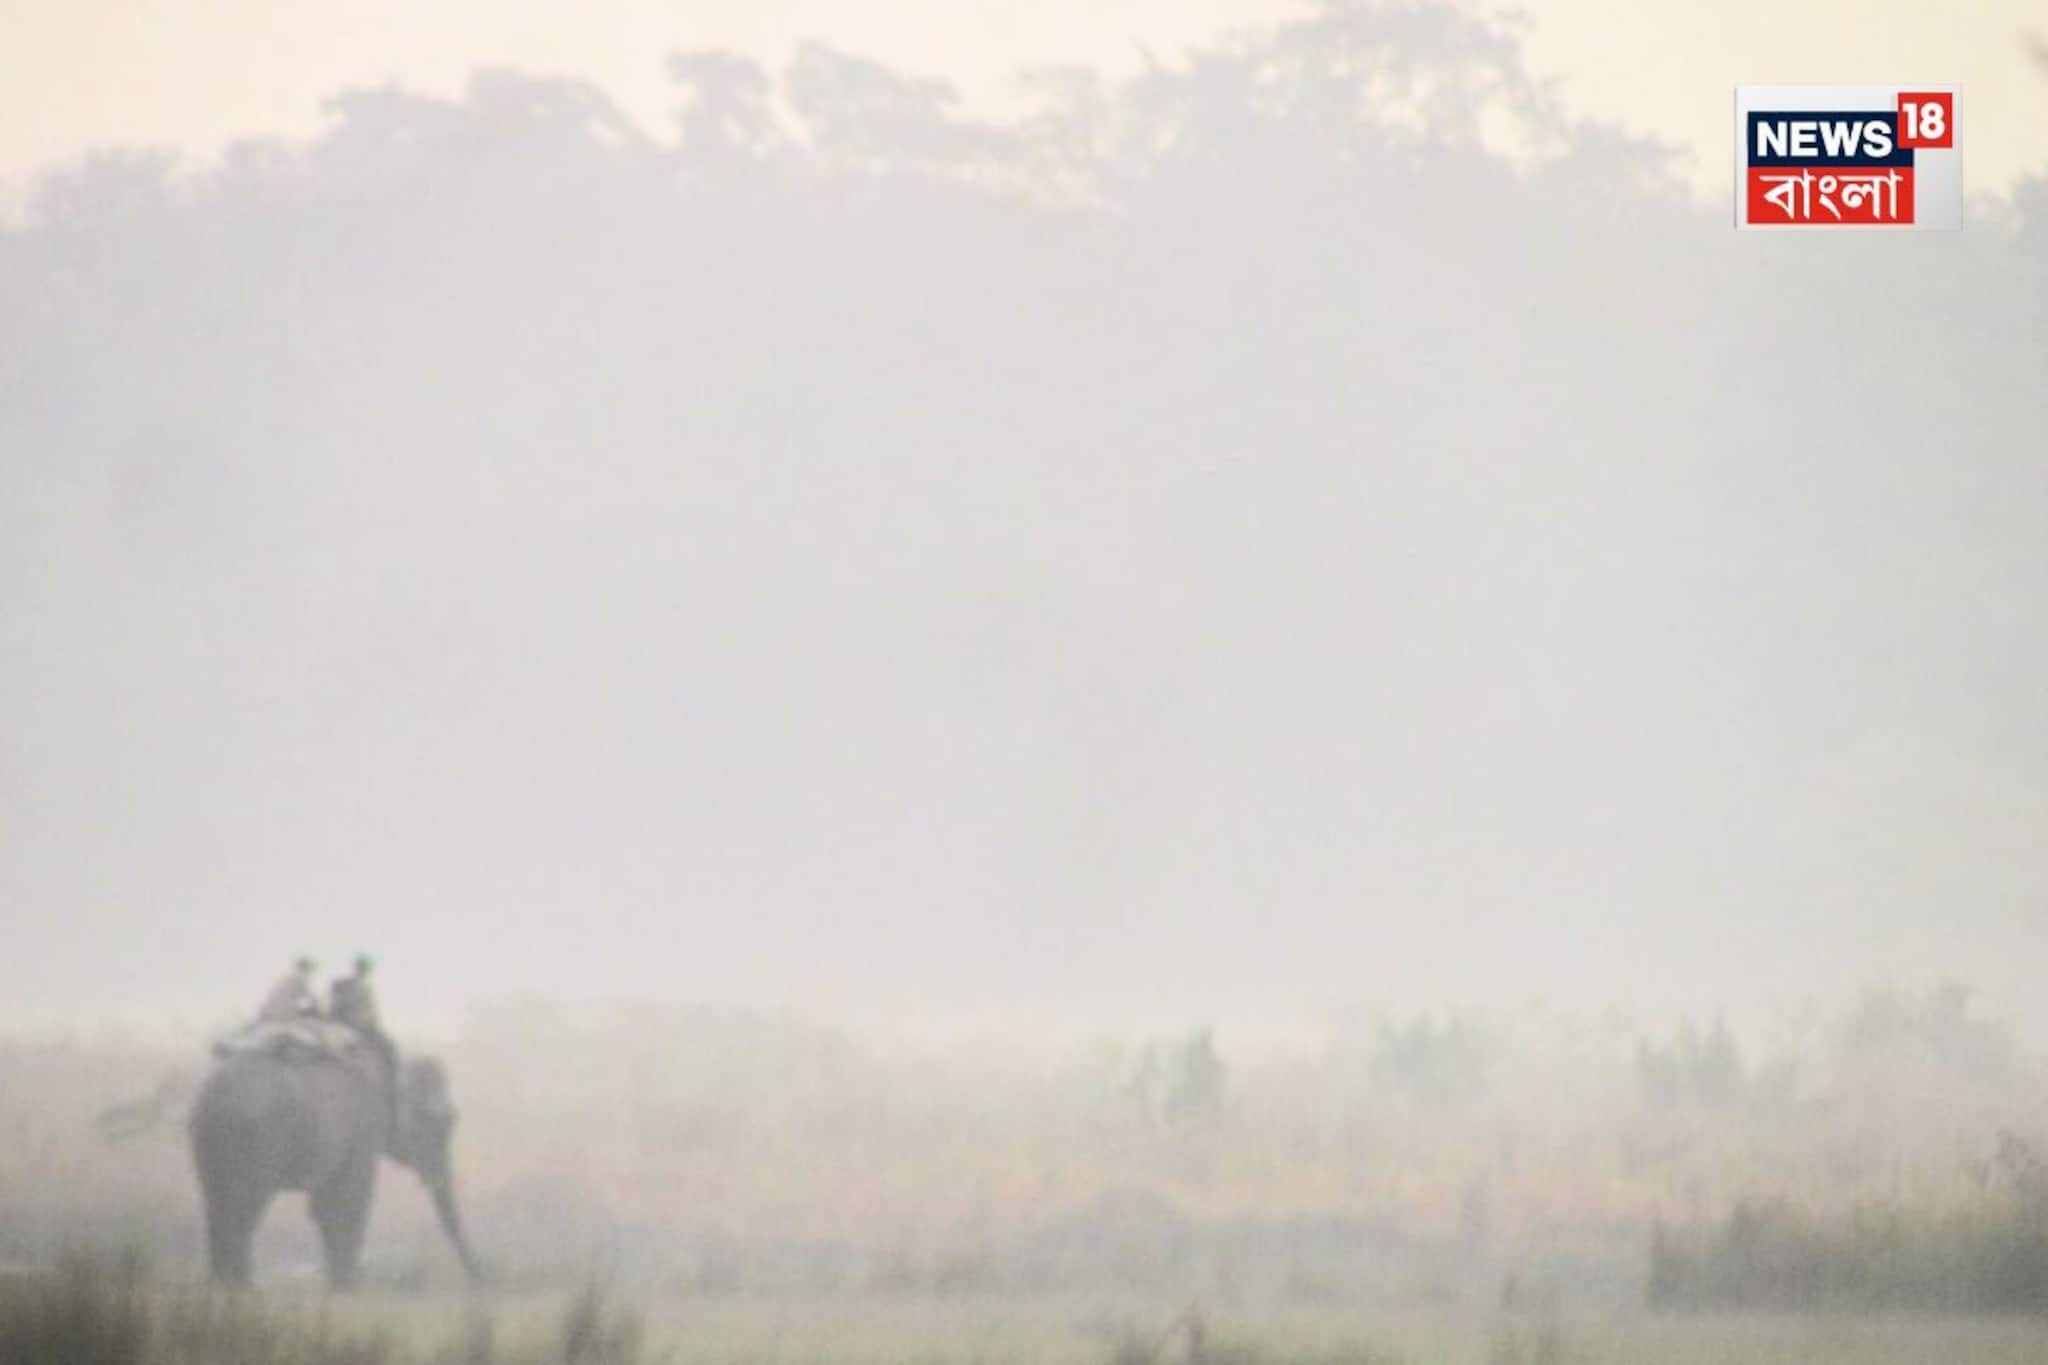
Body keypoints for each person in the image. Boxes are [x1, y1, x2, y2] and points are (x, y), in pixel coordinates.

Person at [257, 957, 319, 1022]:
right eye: (309, 969)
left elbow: (308, 998)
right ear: (304, 969)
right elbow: (311, 998)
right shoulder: (299, 979)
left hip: (272, 1010)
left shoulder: (290, 978)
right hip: (280, 1012)